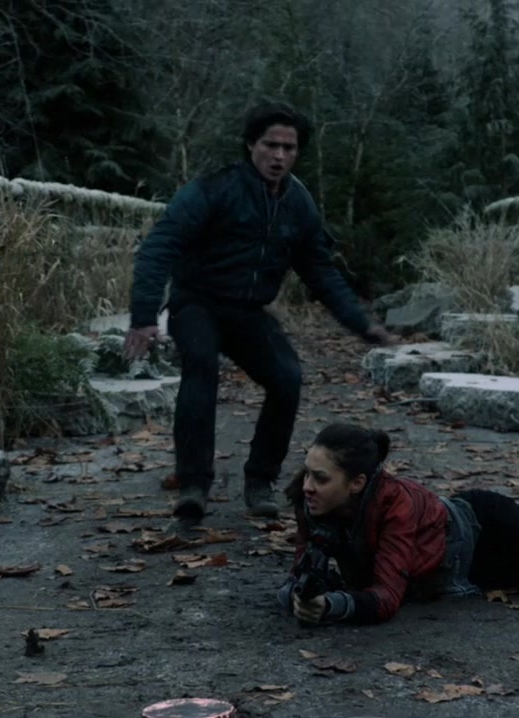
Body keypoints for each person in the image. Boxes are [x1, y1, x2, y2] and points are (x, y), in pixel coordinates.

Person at [125, 101, 393, 526]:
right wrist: (143, 317)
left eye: (289, 148)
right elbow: (160, 245)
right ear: (251, 144)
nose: (279, 156)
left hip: (248, 311)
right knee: (200, 368)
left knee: (287, 379)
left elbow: (320, 271)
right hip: (197, 303)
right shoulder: (214, 189)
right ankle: (193, 485)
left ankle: (260, 482)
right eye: (271, 145)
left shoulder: (298, 204)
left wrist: (361, 324)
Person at [278, 423, 519, 625]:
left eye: (321, 478)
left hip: (486, 527)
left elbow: (386, 597)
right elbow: (300, 571)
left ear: (357, 483)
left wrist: (333, 607)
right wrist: (300, 596)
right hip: (468, 573)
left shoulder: (398, 503)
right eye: (307, 472)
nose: (308, 486)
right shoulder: (311, 500)